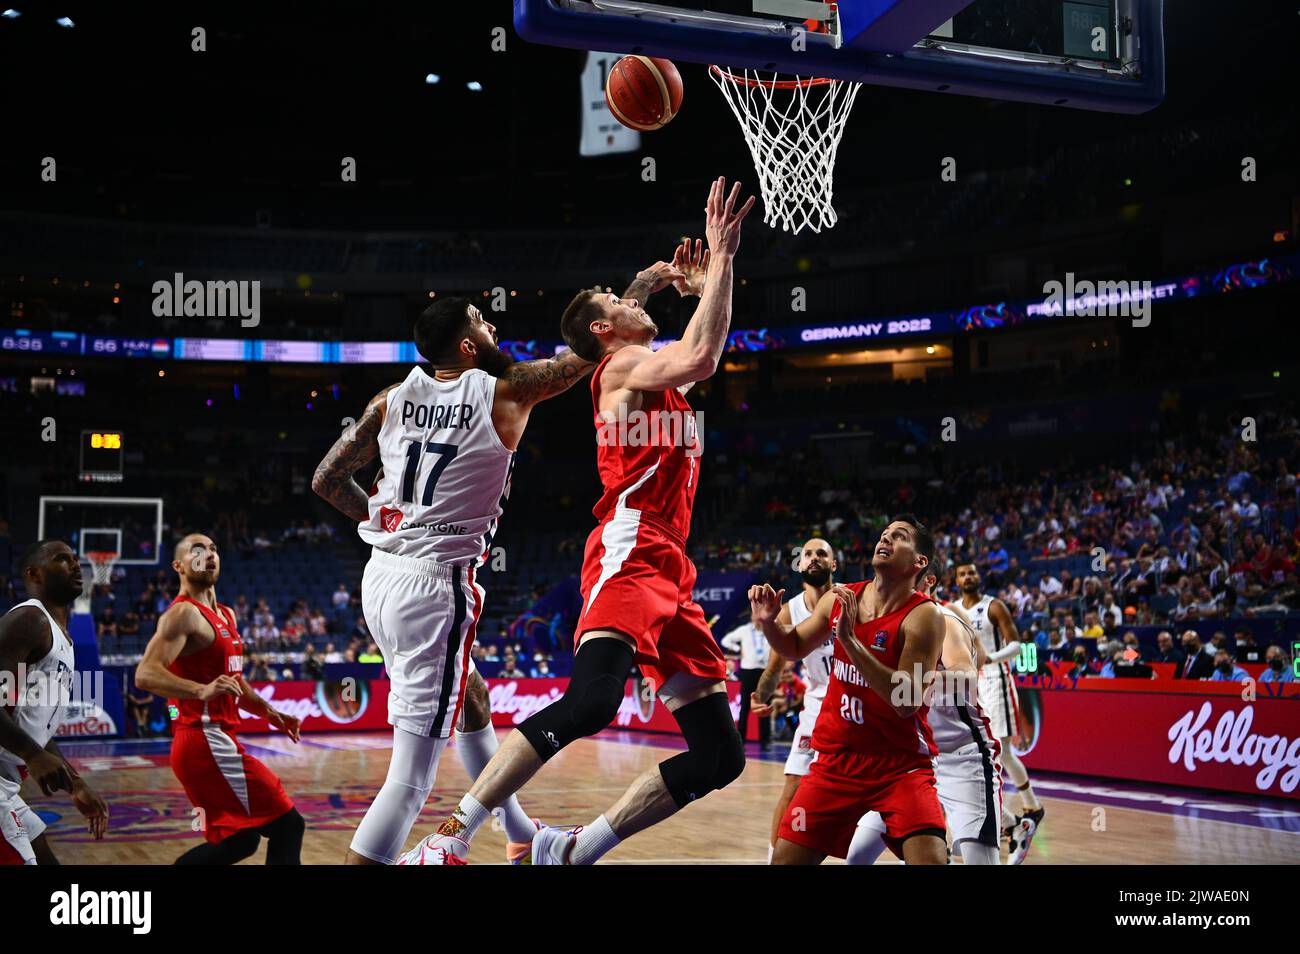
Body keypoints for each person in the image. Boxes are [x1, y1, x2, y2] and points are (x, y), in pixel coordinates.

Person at [400, 177, 755, 866]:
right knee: (593, 701)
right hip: (631, 545)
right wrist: (725, 256)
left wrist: (653, 285)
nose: (633, 303)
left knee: (720, 755)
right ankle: (452, 835)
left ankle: (572, 849)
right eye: (621, 304)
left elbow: (676, 341)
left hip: (670, 564)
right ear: (605, 331)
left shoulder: (643, 366)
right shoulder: (625, 366)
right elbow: (704, 353)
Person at [313, 287, 607, 865]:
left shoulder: (391, 398)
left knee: (471, 695)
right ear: (469, 346)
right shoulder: (507, 389)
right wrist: (640, 291)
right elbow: (586, 350)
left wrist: (385, 519)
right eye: (481, 319)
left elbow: (327, 479)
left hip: (383, 575)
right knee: (411, 780)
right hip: (433, 585)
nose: (493, 322)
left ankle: (520, 835)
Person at [750, 516, 948, 865]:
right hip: (836, 764)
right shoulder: (840, 598)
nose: (885, 539)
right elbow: (793, 647)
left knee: (931, 860)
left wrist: (852, 644)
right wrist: (769, 623)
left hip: (899, 766)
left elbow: (907, 701)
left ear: (919, 562)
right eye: (885, 534)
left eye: (899, 537)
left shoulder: (925, 616)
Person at [135, 534, 306, 864]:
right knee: (288, 825)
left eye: (214, 548)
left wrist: (271, 713)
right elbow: (145, 674)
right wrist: (200, 690)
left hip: (217, 739)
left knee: (241, 840)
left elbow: (234, 681)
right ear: (179, 566)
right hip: (202, 740)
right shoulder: (182, 615)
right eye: (197, 551)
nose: (209, 555)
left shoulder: (227, 614)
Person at [845, 570, 1003, 866]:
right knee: (856, 856)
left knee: (981, 862)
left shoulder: (944, 620)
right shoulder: (894, 624)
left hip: (962, 756)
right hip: (912, 761)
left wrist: (917, 684)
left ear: (927, 581)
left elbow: (966, 673)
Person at [0, 540, 110, 864]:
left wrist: (74, 782)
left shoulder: (60, 635)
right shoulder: (30, 621)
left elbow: (36, 728)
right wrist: (32, 754)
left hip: (8, 784)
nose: (76, 565)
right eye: (63, 559)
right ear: (34, 573)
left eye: (75, 559)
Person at [748, 537, 836, 861]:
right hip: (816, 712)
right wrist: (761, 693)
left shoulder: (853, 600)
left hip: (854, 710)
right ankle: (773, 858)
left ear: (833, 564)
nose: (813, 558)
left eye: (821, 554)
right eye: (808, 554)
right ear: (801, 565)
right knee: (793, 789)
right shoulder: (791, 609)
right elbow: (775, 665)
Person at [955, 562, 1044, 863]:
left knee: (1001, 754)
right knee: (977, 756)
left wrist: (989, 658)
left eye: (972, 573)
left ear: (979, 577)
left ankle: (1029, 809)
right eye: (963, 574)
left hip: (996, 679)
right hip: (969, 683)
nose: (969, 577)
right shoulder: (953, 609)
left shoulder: (993, 607)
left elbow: (1018, 645)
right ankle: (1012, 820)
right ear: (956, 581)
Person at [720, 607, 772, 747]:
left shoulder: (770, 628)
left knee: (764, 705)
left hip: (765, 671)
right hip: (748, 670)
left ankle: (765, 740)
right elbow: (726, 640)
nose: (758, 616)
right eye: (756, 614)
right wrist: (738, 649)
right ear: (752, 616)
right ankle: (741, 738)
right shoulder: (744, 630)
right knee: (745, 706)